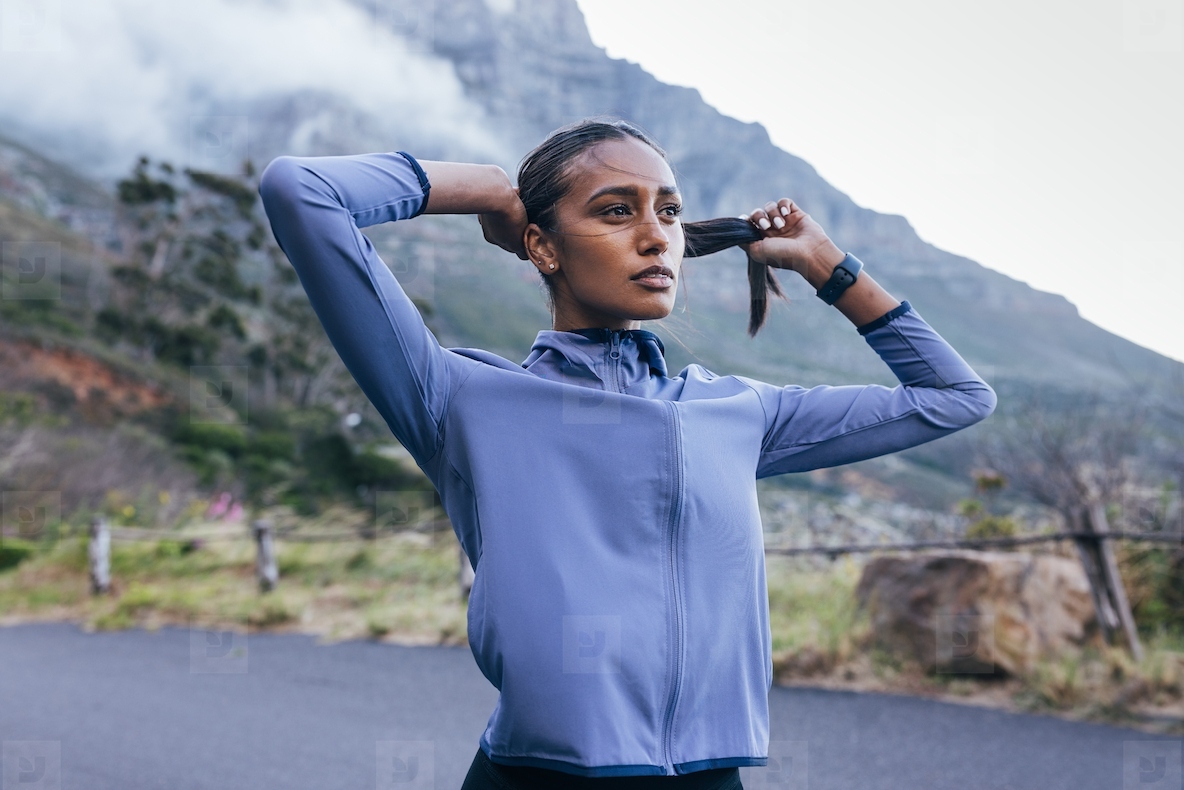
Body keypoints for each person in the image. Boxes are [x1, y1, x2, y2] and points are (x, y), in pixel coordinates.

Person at [258, 118, 997, 788]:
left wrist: (828, 265)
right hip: (535, 777)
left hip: (714, 776)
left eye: (668, 212)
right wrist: (490, 190)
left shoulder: (738, 411)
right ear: (542, 245)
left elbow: (954, 397)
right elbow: (301, 190)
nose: (655, 236)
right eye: (617, 211)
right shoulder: (461, 400)